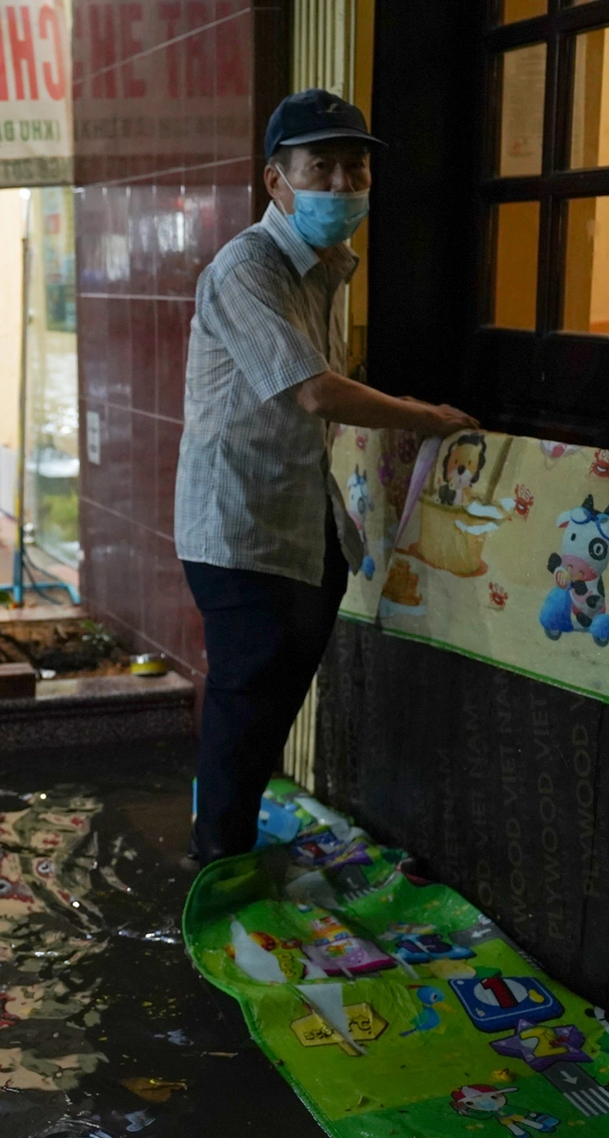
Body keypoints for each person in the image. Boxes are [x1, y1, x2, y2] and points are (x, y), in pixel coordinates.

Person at [175, 88, 486, 862]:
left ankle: (236, 832)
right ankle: (216, 868)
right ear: (277, 181)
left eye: (356, 168)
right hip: (236, 522)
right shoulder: (246, 267)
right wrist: (424, 417)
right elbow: (313, 388)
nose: (343, 184)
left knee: (273, 697)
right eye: (323, 167)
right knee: (245, 705)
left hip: (298, 511)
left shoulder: (325, 268)